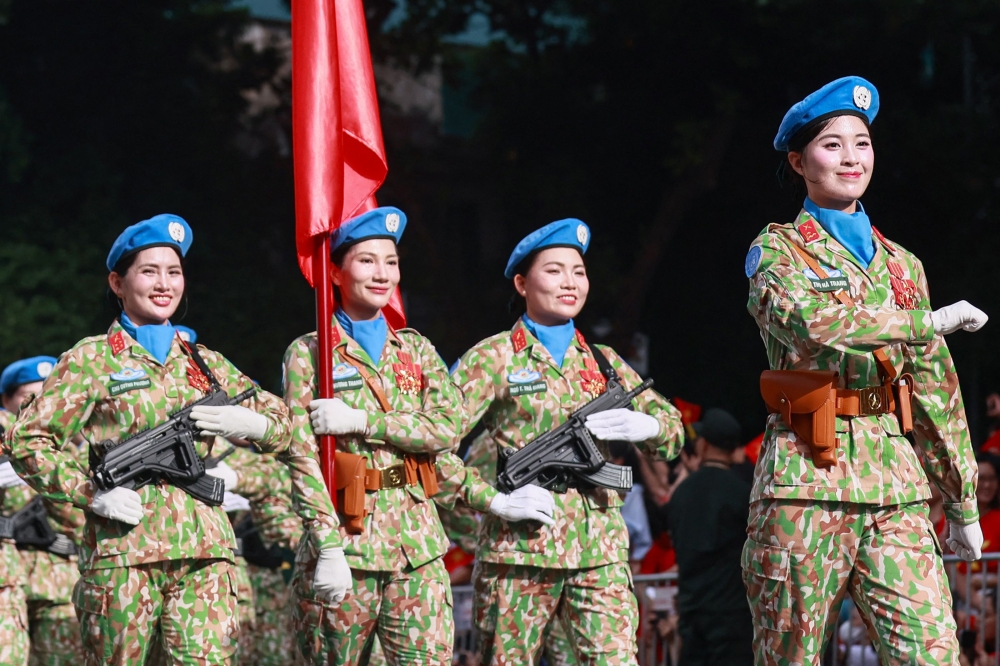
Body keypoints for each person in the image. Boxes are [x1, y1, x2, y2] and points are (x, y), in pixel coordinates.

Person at [744, 76, 986, 665]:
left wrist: (961, 501)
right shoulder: (776, 252)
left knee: (930, 654)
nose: (851, 158)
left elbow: (935, 389)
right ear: (799, 162)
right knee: (791, 657)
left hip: (894, 486)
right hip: (805, 482)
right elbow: (812, 324)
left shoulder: (903, 264)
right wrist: (924, 322)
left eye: (863, 143)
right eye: (833, 145)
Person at [6, 214, 293, 665]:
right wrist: (92, 493)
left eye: (174, 272)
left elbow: (283, 422)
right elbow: (28, 442)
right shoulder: (90, 360)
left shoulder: (206, 361)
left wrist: (252, 425)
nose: (164, 283)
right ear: (117, 283)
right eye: (149, 271)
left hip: (205, 556)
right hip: (124, 555)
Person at [447, 218, 685, 665]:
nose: (570, 282)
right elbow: (434, 447)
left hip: (599, 551)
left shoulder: (604, 361)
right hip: (520, 551)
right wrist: (493, 501)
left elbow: (672, 431)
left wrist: (650, 428)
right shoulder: (493, 357)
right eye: (554, 271)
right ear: (522, 283)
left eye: (578, 271)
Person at [280, 206, 463, 665]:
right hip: (348, 540)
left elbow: (448, 427)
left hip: (416, 547)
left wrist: (365, 421)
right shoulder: (311, 352)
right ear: (336, 272)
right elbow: (302, 456)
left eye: (391, 261)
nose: (382, 273)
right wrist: (326, 544)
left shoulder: (416, 350)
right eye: (366, 261)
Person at [0, 356, 87, 666]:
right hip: (8, 570)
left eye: (48, 396)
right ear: (7, 400)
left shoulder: (76, 452)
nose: (38, 405)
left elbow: (81, 523)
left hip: (58, 577)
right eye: (28, 397)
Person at [667, 407, 752, 666]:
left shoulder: (682, 493)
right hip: (732, 615)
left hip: (692, 613)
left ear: (703, 444)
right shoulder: (743, 493)